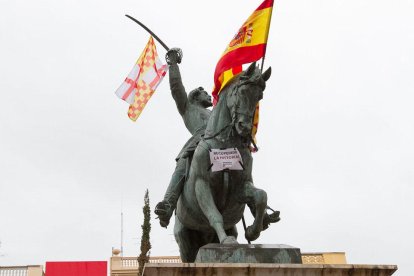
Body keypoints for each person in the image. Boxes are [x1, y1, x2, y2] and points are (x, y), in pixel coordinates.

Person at [155, 48, 213, 228]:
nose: (209, 95)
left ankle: (257, 208)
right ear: (196, 95)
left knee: (241, 161)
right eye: (205, 93)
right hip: (198, 142)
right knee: (182, 166)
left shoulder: (214, 113)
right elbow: (176, 87)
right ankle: (168, 204)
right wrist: (173, 63)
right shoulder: (188, 108)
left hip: (219, 142)